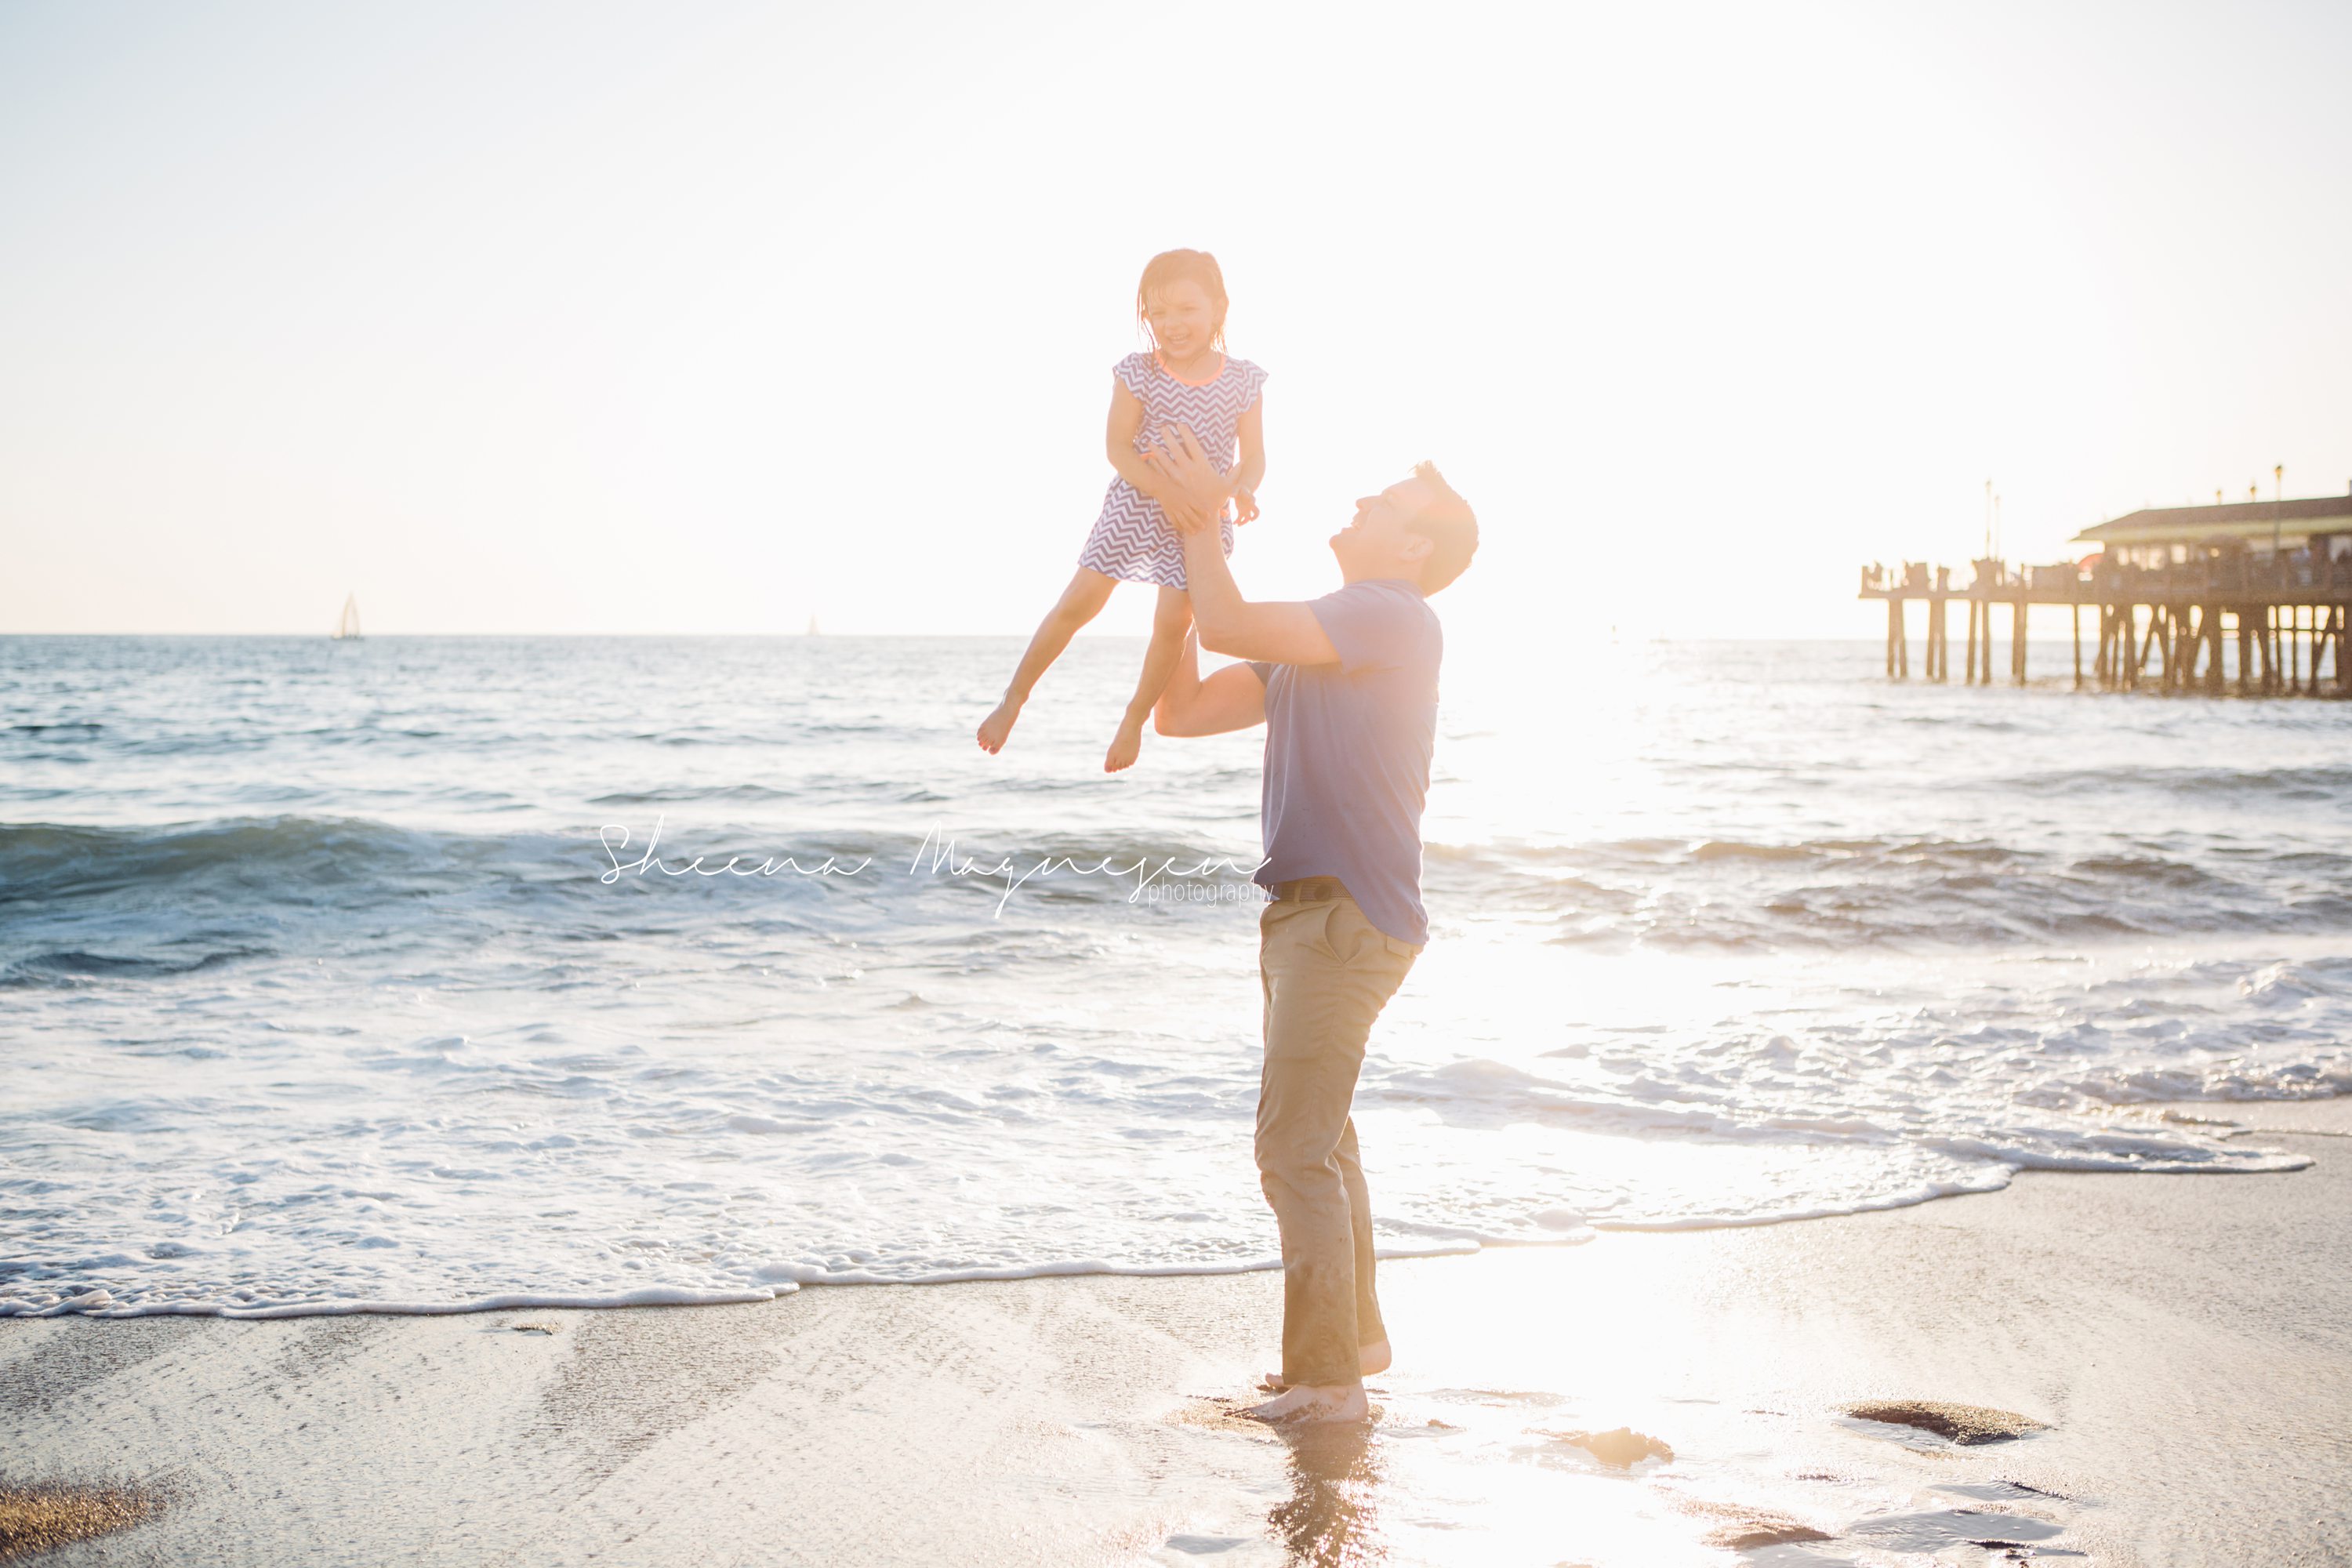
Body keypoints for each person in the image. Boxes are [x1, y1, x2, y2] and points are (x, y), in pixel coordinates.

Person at [1147, 424, 1479, 1424]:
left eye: (1379, 506)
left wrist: (1204, 520)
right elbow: (1186, 709)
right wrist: (1179, 581)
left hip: (1343, 917)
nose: (1358, 510)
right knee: (1324, 1141)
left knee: (1291, 1148)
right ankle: (1355, 1346)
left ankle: (1328, 1381)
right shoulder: (1326, 639)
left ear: (1414, 547)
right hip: (1310, 915)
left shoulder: (1389, 613)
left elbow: (1237, 617)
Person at [976, 249, 1268, 771]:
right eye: (1158, 314)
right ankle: (1014, 698)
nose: (1172, 324)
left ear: (1218, 309)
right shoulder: (1140, 372)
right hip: (1139, 500)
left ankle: (1134, 718)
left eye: (1186, 310)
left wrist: (1243, 489)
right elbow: (1118, 448)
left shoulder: (1243, 380)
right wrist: (1165, 492)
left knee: (1173, 625)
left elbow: (1255, 456)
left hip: (1202, 515)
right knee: (1078, 603)